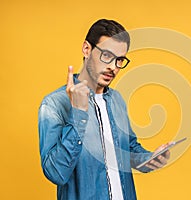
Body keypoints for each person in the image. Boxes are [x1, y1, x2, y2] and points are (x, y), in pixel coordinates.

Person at [38, 19, 170, 200]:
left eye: (120, 60)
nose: (113, 67)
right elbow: (56, 173)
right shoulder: (54, 104)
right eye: (107, 55)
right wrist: (79, 114)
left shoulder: (116, 100)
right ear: (86, 49)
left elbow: (128, 149)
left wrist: (149, 159)